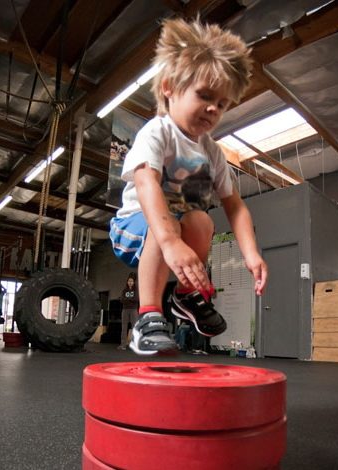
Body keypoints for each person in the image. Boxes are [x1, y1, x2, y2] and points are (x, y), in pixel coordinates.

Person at [109, 18, 268, 356]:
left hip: (176, 229)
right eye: (205, 95)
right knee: (166, 223)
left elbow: (235, 205)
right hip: (133, 225)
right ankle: (148, 318)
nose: (213, 108)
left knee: (202, 221)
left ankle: (185, 295)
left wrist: (251, 254)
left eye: (222, 104)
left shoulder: (212, 151)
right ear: (169, 88)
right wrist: (169, 240)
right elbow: (145, 180)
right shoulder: (158, 132)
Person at [118, 274, 139, 350]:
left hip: (133, 310)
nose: (130, 282)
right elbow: (121, 299)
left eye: (131, 281)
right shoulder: (124, 290)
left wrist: (127, 300)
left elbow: (136, 299)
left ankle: (135, 345)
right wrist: (130, 299)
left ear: (133, 282)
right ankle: (123, 345)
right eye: (129, 281)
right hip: (125, 310)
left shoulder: (136, 290)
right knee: (124, 327)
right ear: (127, 282)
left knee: (134, 327)